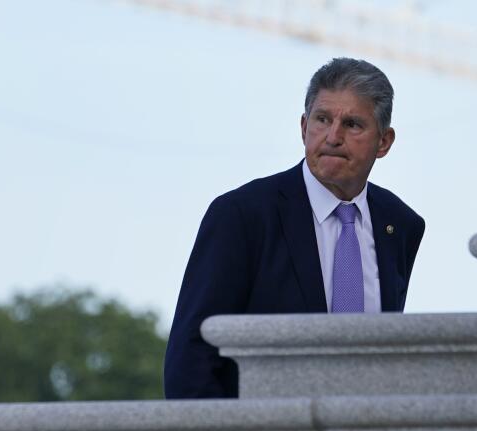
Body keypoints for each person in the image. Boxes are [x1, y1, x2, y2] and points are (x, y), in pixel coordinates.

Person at [164, 58, 425, 399]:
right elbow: (191, 356)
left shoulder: (400, 224)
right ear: (304, 128)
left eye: (352, 124)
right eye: (322, 120)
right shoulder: (243, 214)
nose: (333, 137)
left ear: (384, 142)